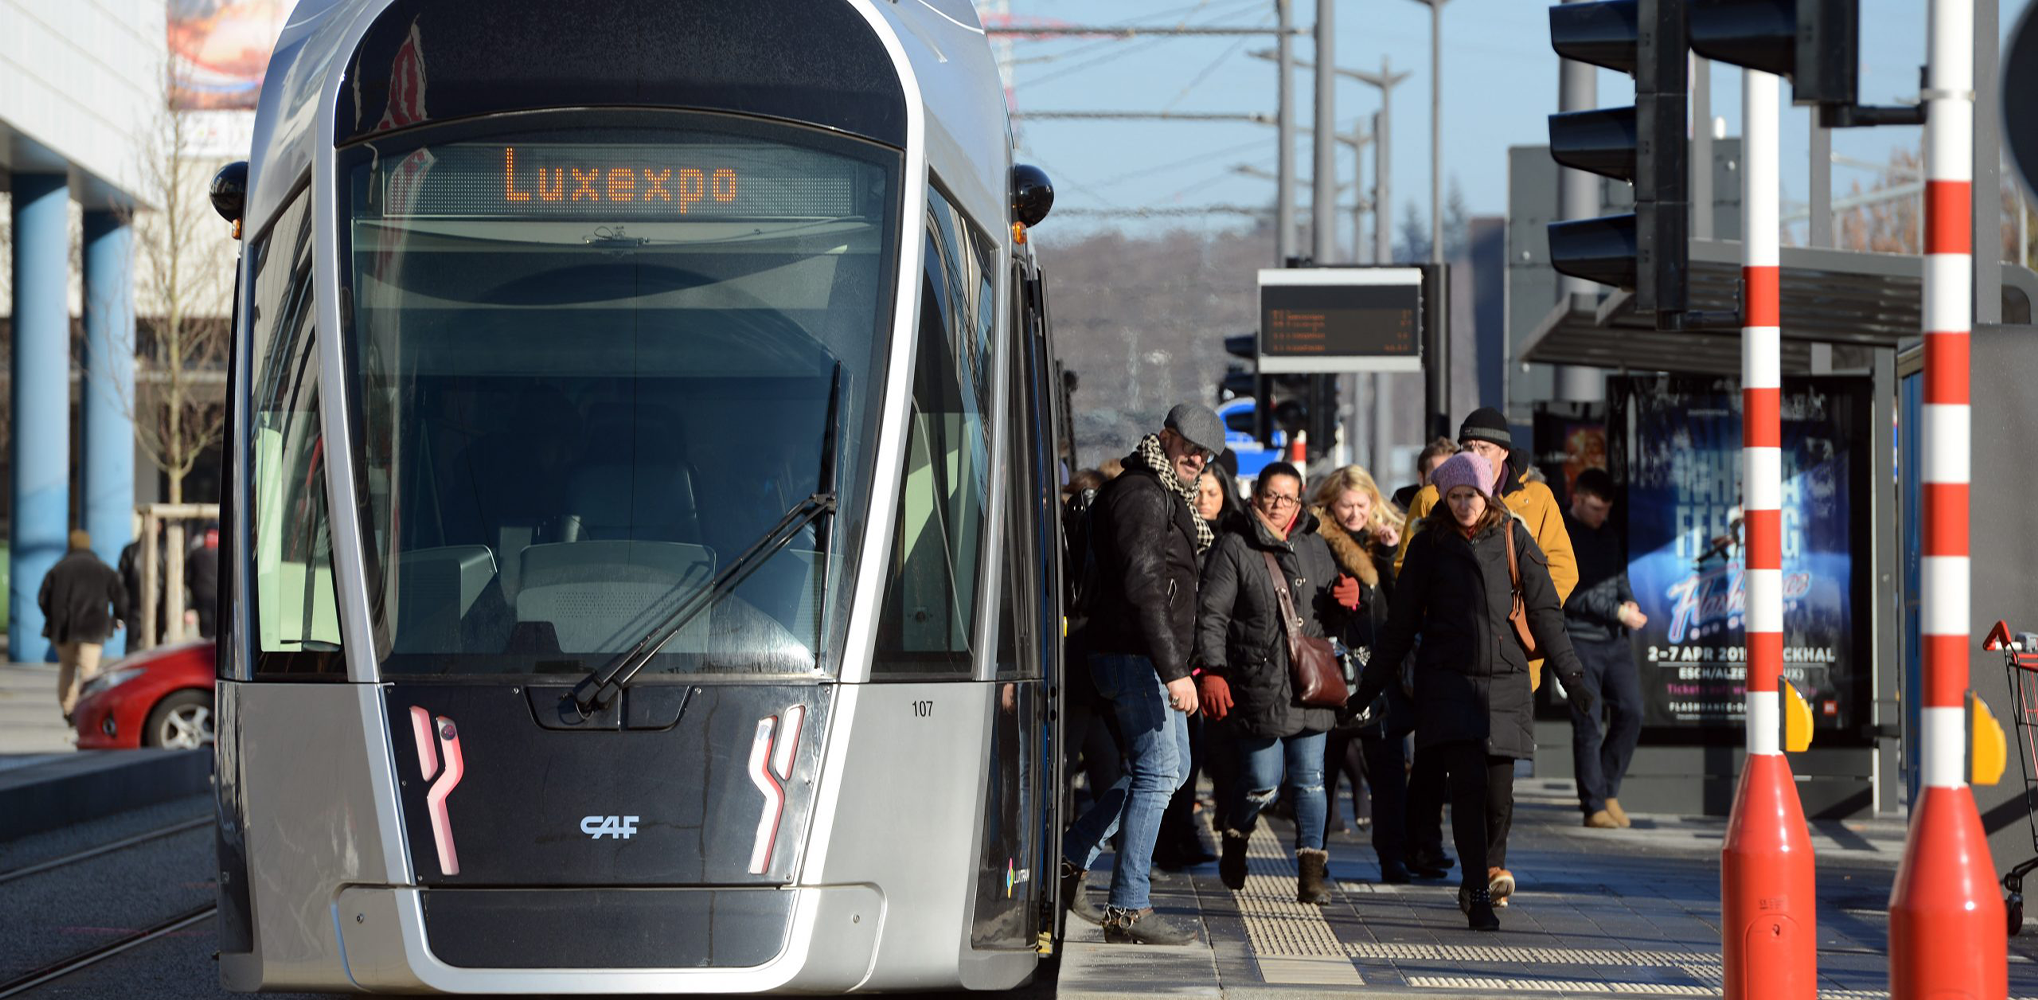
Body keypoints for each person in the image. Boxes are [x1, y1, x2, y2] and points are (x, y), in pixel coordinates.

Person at [1347, 453, 1593, 930]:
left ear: (1488, 495)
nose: (1463, 504)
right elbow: (1400, 626)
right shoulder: (1428, 544)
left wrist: (1573, 676)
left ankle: (1482, 872)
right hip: (1448, 682)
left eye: (1472, 496)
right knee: (1468, 786)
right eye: (1454, 496)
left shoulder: (1513, 537)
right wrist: (1368, 687)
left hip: (1505, 681)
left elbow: (1545, 612)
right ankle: (1477, 888)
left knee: (1499, 794)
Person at [1060, 403, 1226, 945]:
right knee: (1158, 772)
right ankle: (1127, 906)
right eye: (1188, 447)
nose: (1196, 460)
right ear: (1166, 437)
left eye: (1204, 455)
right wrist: (1176, 671)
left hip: (1144, 655)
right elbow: (1144, 585)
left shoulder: (1164, 495)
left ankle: (1070, 859)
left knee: (1168, 771)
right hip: (1136, 655)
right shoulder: (1142, 494)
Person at [1394, 409, 1579, 886]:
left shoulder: (1534, 500)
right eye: (1467, 445)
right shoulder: (1430, 498)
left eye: (1484, 448)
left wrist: (1519, 614)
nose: (1474, 454)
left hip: (1512, 663)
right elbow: (1405, 570)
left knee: (1497, 780)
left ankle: (1490, 866)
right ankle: (1437, 852)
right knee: (1440, 769)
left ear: (1504, 455)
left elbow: (1561, 569)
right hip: (1448, 663)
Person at [1192, 461, 1343, 904]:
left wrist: (1347, 602)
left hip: (1310, 683)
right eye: (1271, 495)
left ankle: (1312, 873)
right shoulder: (1234, 545)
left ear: (1300, 501)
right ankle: (1236, 836)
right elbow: (1212, 615)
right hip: (1258, 682)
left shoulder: (1315, 545)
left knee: (1310, 780)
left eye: (1288, 497)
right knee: (1262, 781)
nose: (1279, 505)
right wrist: (1213, 671)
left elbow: (1328, 613)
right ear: (1256, 494)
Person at [1310, 464, 1413, 882]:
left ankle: (1393, 855)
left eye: (1361, 503)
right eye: (1346, 505)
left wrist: (1387, 558)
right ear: (1331, 503)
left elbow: (1399, 605)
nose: (1354, 513)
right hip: (1333, 670)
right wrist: (1339, 601)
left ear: (1374, 502)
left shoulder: (1384, 540)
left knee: (1388, 771)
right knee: (1322, 771)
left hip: (1378, 672)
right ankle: (1314, 857)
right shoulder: (1316, 540)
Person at [1153, 466, 1237, 871]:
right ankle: (1171, 839)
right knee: (1175, 761)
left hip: (1215, 667)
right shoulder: (1176, 532)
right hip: (1181, 665)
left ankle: (1185, 833)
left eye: (1213, 492)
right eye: (1199, 492)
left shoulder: (1231, 543)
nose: (1205, 500)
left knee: (1203, 760)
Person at [1561, 468, 1648, 830]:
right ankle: (1593, 805)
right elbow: (1571, 593)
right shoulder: (1564, 535)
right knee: (1588, 724)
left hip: (1614, 641)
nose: (1602, 516)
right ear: (1578, 499)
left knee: (1632, 711)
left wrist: (1629, 602)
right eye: (1596, 508)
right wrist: (1617, 610)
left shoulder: (1608, 534)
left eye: (1606, 509)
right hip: (1579, 640)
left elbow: (1618, 577)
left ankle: (1608, 789)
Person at [42, 530, 131, 721]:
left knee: (66, 668)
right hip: (93, 628)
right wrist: (117, 618)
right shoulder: (103, 569)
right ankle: (85, 709)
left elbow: (43, 598)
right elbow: (121, 597)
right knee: (89, 670)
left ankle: (68, 709)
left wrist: (53, 618)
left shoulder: (58, 569)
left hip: (63, 630)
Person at [1391, 437, 1460, 511]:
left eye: (1449, 478)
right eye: (1434, 479)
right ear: (1421, 478)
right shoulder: (1400, 515)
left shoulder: (1463, 512)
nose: (1442, 487)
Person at [187, 524, 221, 640]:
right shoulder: (225, 554)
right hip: (214, 601)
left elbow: (188, 579)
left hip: (204, 601)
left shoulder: (196, 554)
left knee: (207, 635)